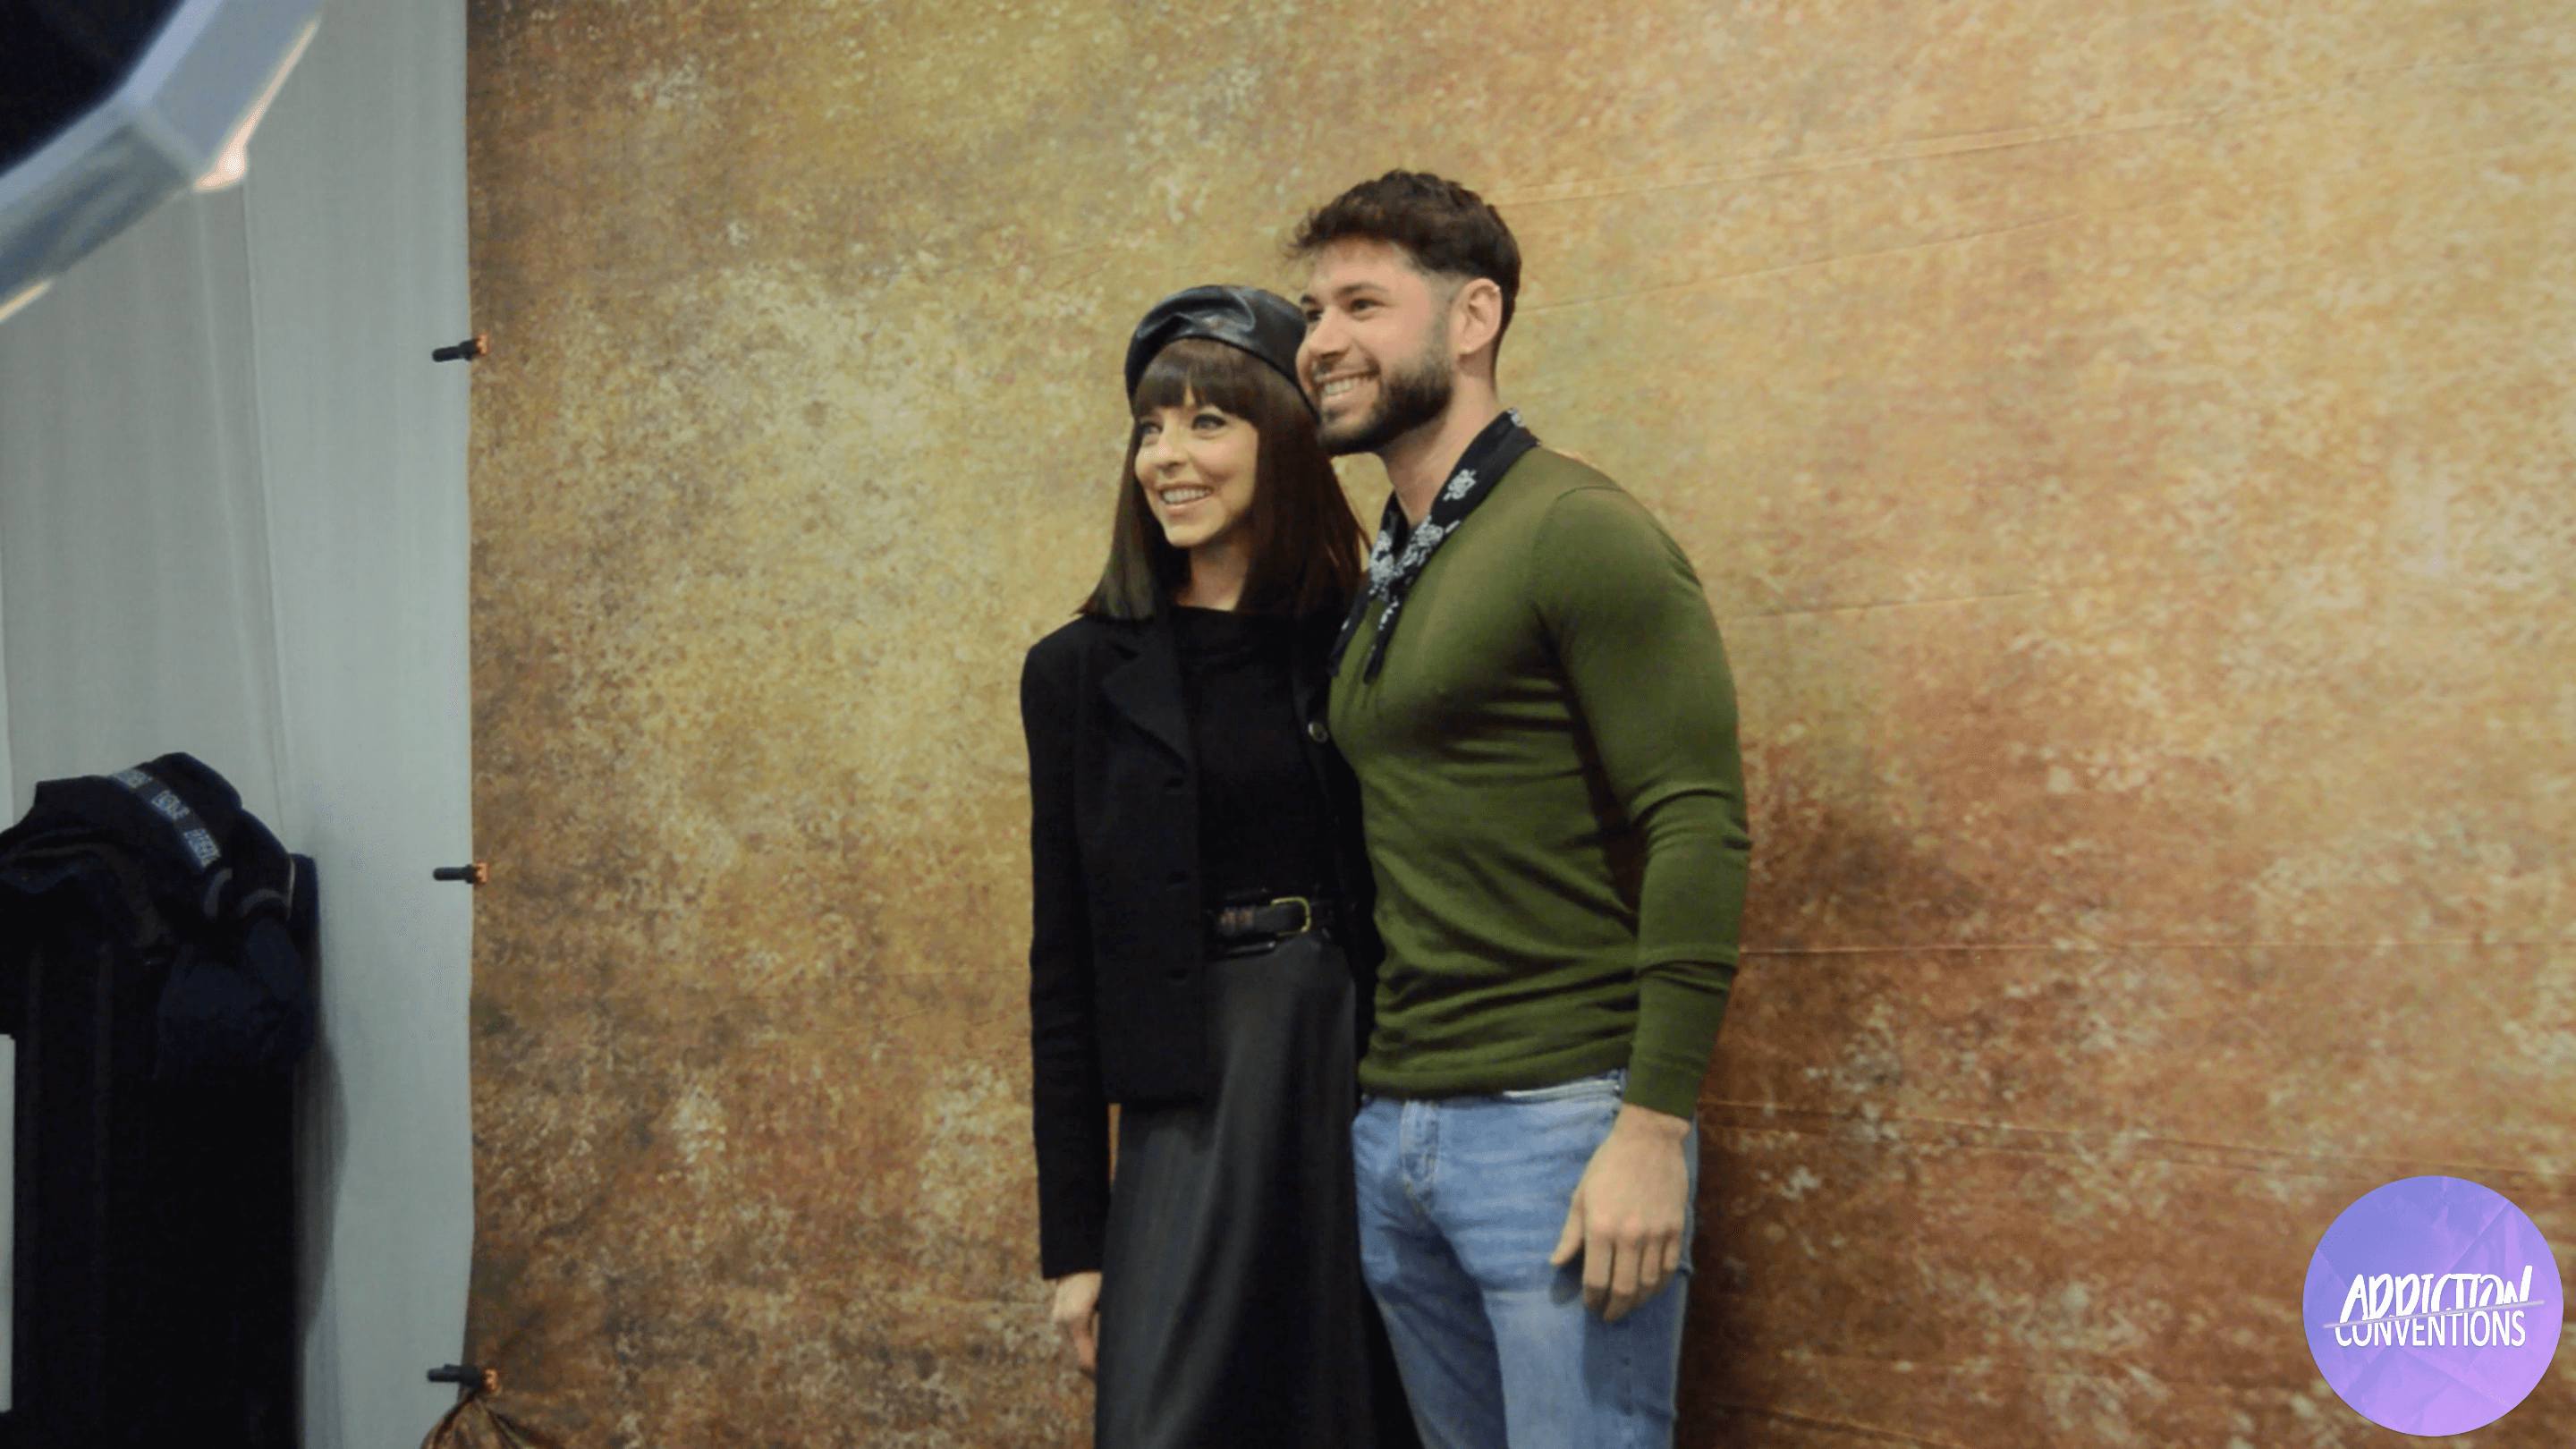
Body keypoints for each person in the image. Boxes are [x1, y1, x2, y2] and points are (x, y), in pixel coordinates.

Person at [1289, 171, 1753, 1448]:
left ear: (1473, 316)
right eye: (1313, 309)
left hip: (1560, 1125)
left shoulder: (1577, 530)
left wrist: (1649, 1130)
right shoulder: (1398, 559)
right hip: (1400, 1129)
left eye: (1362, 304)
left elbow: (1698, 824)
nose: (1321, 340)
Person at [1021, 284, 1415, 1448]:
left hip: (1347, 1073)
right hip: (1182, 1103)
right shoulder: (1076, 672)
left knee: (1347, 1410)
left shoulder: (1358, 641)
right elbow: (1062, 966)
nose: (1168, 456)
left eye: (1208, 422)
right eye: (1151, 427)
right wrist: (1077, 1245)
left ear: (1282, 442)